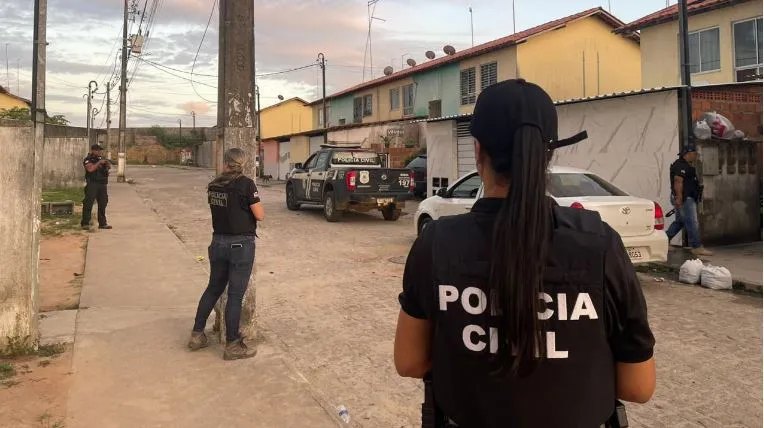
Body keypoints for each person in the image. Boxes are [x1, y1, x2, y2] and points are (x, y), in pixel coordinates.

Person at [393, 80, 656, 428]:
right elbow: (637, 386)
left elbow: (409, 361)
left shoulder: (437, 243)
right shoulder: (599, 243)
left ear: (478, 149)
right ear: (548, 153)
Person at [188, 148, 265, 361]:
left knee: (213, 288)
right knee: (234, 295)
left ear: (226, 163)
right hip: (240, 244)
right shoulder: (246, 184)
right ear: (242, 164)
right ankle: (232, 345)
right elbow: (259, 215)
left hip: (218, 242)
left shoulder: (214, 185)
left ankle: (197, 335)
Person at [666, 147, 712, 256]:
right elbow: (678, 180)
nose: (696, 156)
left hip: (686, 197)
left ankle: (664, 241)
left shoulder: (686, 165)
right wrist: (679, 198)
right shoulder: (681, 165)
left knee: (680, 221)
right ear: (688, 154)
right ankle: (696, 246)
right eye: (694, 153)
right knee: (692, 222)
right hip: (685, 198)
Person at [81, 144, 112, 230]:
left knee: (103, 203)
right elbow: (90, 169)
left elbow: (108, 169)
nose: (100, 152)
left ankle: (102, 223)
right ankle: (85, 223)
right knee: (88, 203)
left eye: (100, 150)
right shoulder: (88, 159)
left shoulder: (101, 159)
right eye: (98, 150)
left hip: (102, 184)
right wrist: (99, 163)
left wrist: (107, 164)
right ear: (93, 150)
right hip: (92, 184)